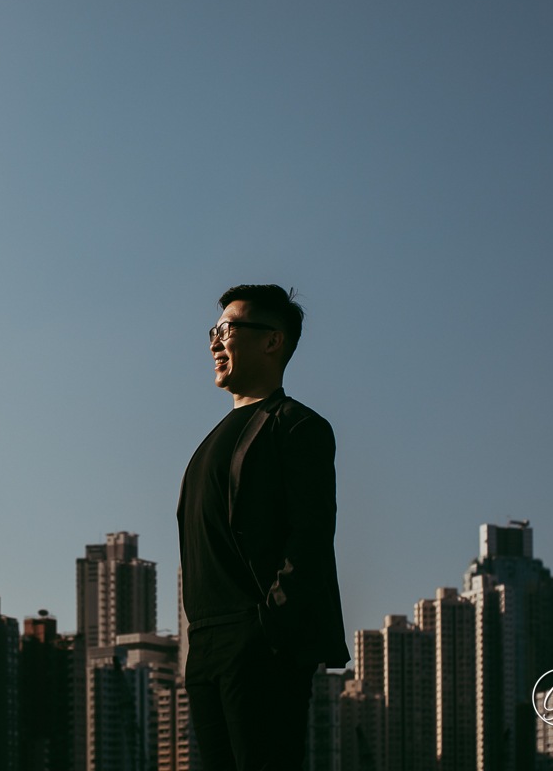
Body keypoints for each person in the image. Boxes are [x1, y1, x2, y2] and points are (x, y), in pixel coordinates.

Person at [177, 285, 350, 770]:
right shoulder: (210, 441)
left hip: (257, 643)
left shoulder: (295, 426)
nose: (215, 342)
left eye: (228, 330)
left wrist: (268, 627)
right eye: (214, 331)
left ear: (272, 341)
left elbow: (312, 538)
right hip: (204, 647)